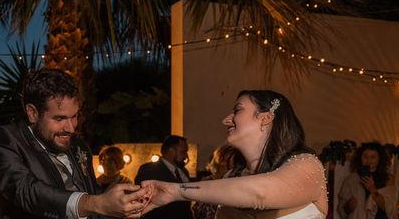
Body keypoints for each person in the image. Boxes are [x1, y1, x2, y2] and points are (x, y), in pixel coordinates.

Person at [0, 67, 147, 219]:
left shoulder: (79, 146)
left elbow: (93, 203)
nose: (71, 128)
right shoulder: (3, 140)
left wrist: (128, 206)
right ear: (32, 113)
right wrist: (97, 203)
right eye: (59, 118)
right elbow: (26, 191)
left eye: (74, 116)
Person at [140, 90, 328, 219]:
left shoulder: (307, 164)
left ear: (265, 118)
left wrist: (175, 191)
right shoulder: (232, 177)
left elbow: (260, 193)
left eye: (237, 110)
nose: (226, 120)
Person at [135, 135, 193, 219]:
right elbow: (143, 201)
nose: (186, 156)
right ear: (171, 151)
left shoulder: (184, 171)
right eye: (183, 152)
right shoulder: (149, 170)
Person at [337, 142, 396, 219]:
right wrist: (348, 207)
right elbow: (341, 210)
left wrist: (372, 189)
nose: (368, 160)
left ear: (379, 159)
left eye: (373, 157)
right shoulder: (351, 179)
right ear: (360, 158)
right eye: (365, 156)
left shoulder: (388, 179)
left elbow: (389, 209)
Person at [192, 145, 234, 219]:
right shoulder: (208, 182)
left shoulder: (234, 181)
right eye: (233, 158)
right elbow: (199, 211)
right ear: (222, 160)